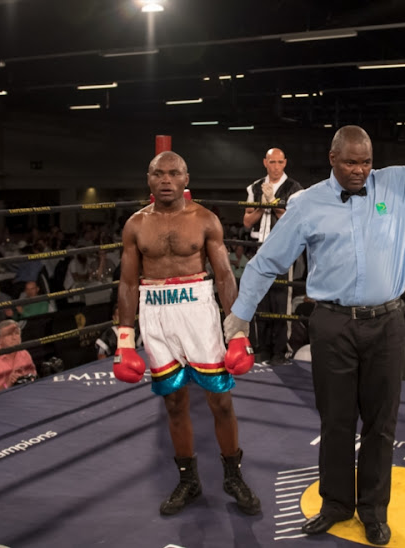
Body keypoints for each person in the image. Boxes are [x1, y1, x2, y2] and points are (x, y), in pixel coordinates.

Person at [224, 75, 405, 546]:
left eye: (366, 162)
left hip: (388, 322)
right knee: (335, 421)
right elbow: (268, 260)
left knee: (382, 425)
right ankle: (334, 505)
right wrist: (240, 317)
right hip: (330, 323)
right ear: (332, 160)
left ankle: (373, 509)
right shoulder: (306, 204)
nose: (359, 171)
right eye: (350, 162)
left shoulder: (399, 185)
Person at [114, 151, 260, 517]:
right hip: (155, 312)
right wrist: (124, 339)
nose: (166, 179)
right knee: (174, 402)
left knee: (220, 400)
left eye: (173, 173)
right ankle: (188, 481)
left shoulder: (205, 220)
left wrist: (238, 331)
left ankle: (233, 476)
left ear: (185, 178)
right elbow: (129, 281)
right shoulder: (135, 225)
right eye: (158, 173)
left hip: (197, 310)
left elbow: (225, 275)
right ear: (148, 179)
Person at [243, 148, 304, 366]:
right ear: (265, 162)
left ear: (285, 163)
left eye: (280, 162)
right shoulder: (255, 187)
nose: (276, 166)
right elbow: (247, 221)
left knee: (280, 300)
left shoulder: (295, 189)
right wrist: (263, 204)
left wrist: (275, 203)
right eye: (272, 162)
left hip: (282, 248)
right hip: (259, 247)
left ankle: (281, 350)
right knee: (260, 300)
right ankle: (263, 349)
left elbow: (296, 220)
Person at [0, 319, 37, 392]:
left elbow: (34, 378)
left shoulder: (24, 353)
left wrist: (25, 379)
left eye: (17, 333)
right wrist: (7, 385)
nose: (14, 338)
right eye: (9, 334)